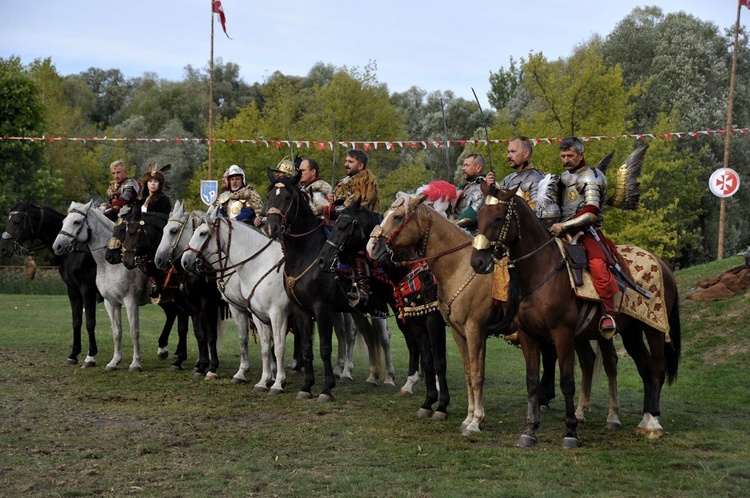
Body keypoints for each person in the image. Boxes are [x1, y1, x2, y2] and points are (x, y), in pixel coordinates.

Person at [550, 137, 619, 335]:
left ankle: (609, 312)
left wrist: (565, 226)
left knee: (598, 266)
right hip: (559, 231)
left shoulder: (591, 177)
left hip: (586, 232)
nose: (565, 160)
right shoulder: (563, 178)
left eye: (570, 156)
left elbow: (591, 211)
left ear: (581, 155)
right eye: (563, 156)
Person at [325, 149, 380, 307]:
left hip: (367, 222)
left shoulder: (368, 179)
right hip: (348, 222)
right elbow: (341, 203)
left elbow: (363, 203)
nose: (346, 164)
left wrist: (340, 204)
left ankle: (363, 290)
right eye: (346, 161)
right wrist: (332, 200)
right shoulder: (344, 181)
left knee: (356, 248)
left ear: (360, 165)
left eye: (350, 162)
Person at [485, 136, 560, 229]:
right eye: (508, 152)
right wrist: (490, 189)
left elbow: (537, 215)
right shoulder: (507, 179)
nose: (508, 156)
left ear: (525, 154)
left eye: (513, 151)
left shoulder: (537, 178)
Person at [448, 153, 485, 232]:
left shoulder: (483, 186)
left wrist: (450, 226)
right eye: (463, 165)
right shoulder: (463, 188)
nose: (463, 168)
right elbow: (452, 211)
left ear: (478, 168)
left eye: (467, 165)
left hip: (472, 234)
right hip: (458, 230)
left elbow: (472, 215)